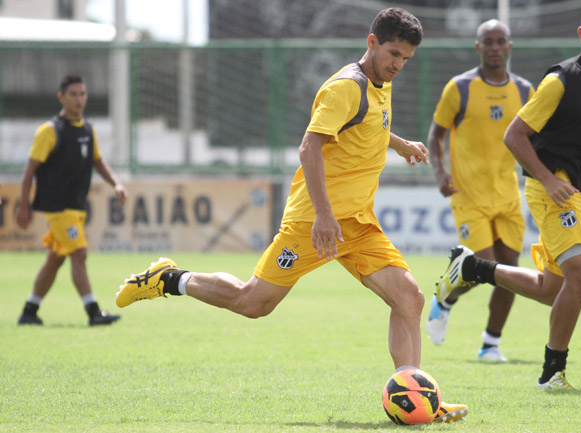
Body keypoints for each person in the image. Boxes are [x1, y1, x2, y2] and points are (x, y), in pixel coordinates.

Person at [116, 8, 467, 423]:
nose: (397, 65)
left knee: (409, 298)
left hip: (357, 223)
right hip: (313, 223)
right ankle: (170, 278)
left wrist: (398, 143)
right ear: (372, 42)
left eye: (405, 60)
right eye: (393, 54)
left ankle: (418, 396)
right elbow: (309, 148)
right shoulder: (344, 87)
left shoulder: (379, 82)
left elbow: (362, 126)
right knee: (253, 303)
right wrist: (322, 215)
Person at [436, 0, 581, 389]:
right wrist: (548, 179)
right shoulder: (560, 81)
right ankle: (552, 371)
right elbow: (515, 135)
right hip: (550, 190)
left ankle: (473, 269)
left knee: (553, 291)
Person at [426, 19, 534, 362]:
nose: (494, 47)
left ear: (510, 46)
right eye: (488, 41)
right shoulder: (460, 87)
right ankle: (446, 296)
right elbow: (435, 135)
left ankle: (490, 343)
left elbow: (537, 138)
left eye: (500, 41)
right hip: (468, 194)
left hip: (508, 195)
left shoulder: (525, 91)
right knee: (484, 266)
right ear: (478, 47)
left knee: (512, 273)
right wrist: (440, 173)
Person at [16, 74, 128, 326]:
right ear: (61, 97)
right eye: (73, 94)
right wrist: (24, 205)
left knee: (55, 260)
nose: (79, 99)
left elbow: (98, 162)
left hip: (75, 206)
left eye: (82, 94)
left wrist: (116, 183)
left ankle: (29, 310)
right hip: (57, 206)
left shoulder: (88, 129)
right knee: (79, 253)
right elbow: (30, 170)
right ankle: (93, 312)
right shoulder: (50, 130)